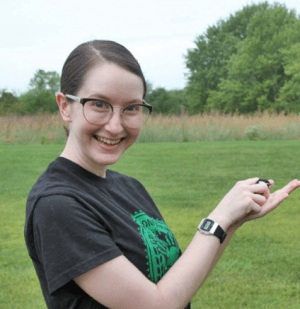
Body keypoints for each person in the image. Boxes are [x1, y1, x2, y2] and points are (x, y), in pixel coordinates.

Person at [24, 40, 300, 309]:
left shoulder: (128, 186)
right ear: (64, 106)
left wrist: (231, 224)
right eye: (98, 104)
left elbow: (175, 285)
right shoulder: (57, 204)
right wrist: (218, 218)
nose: (115, 125)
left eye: (131, 108)